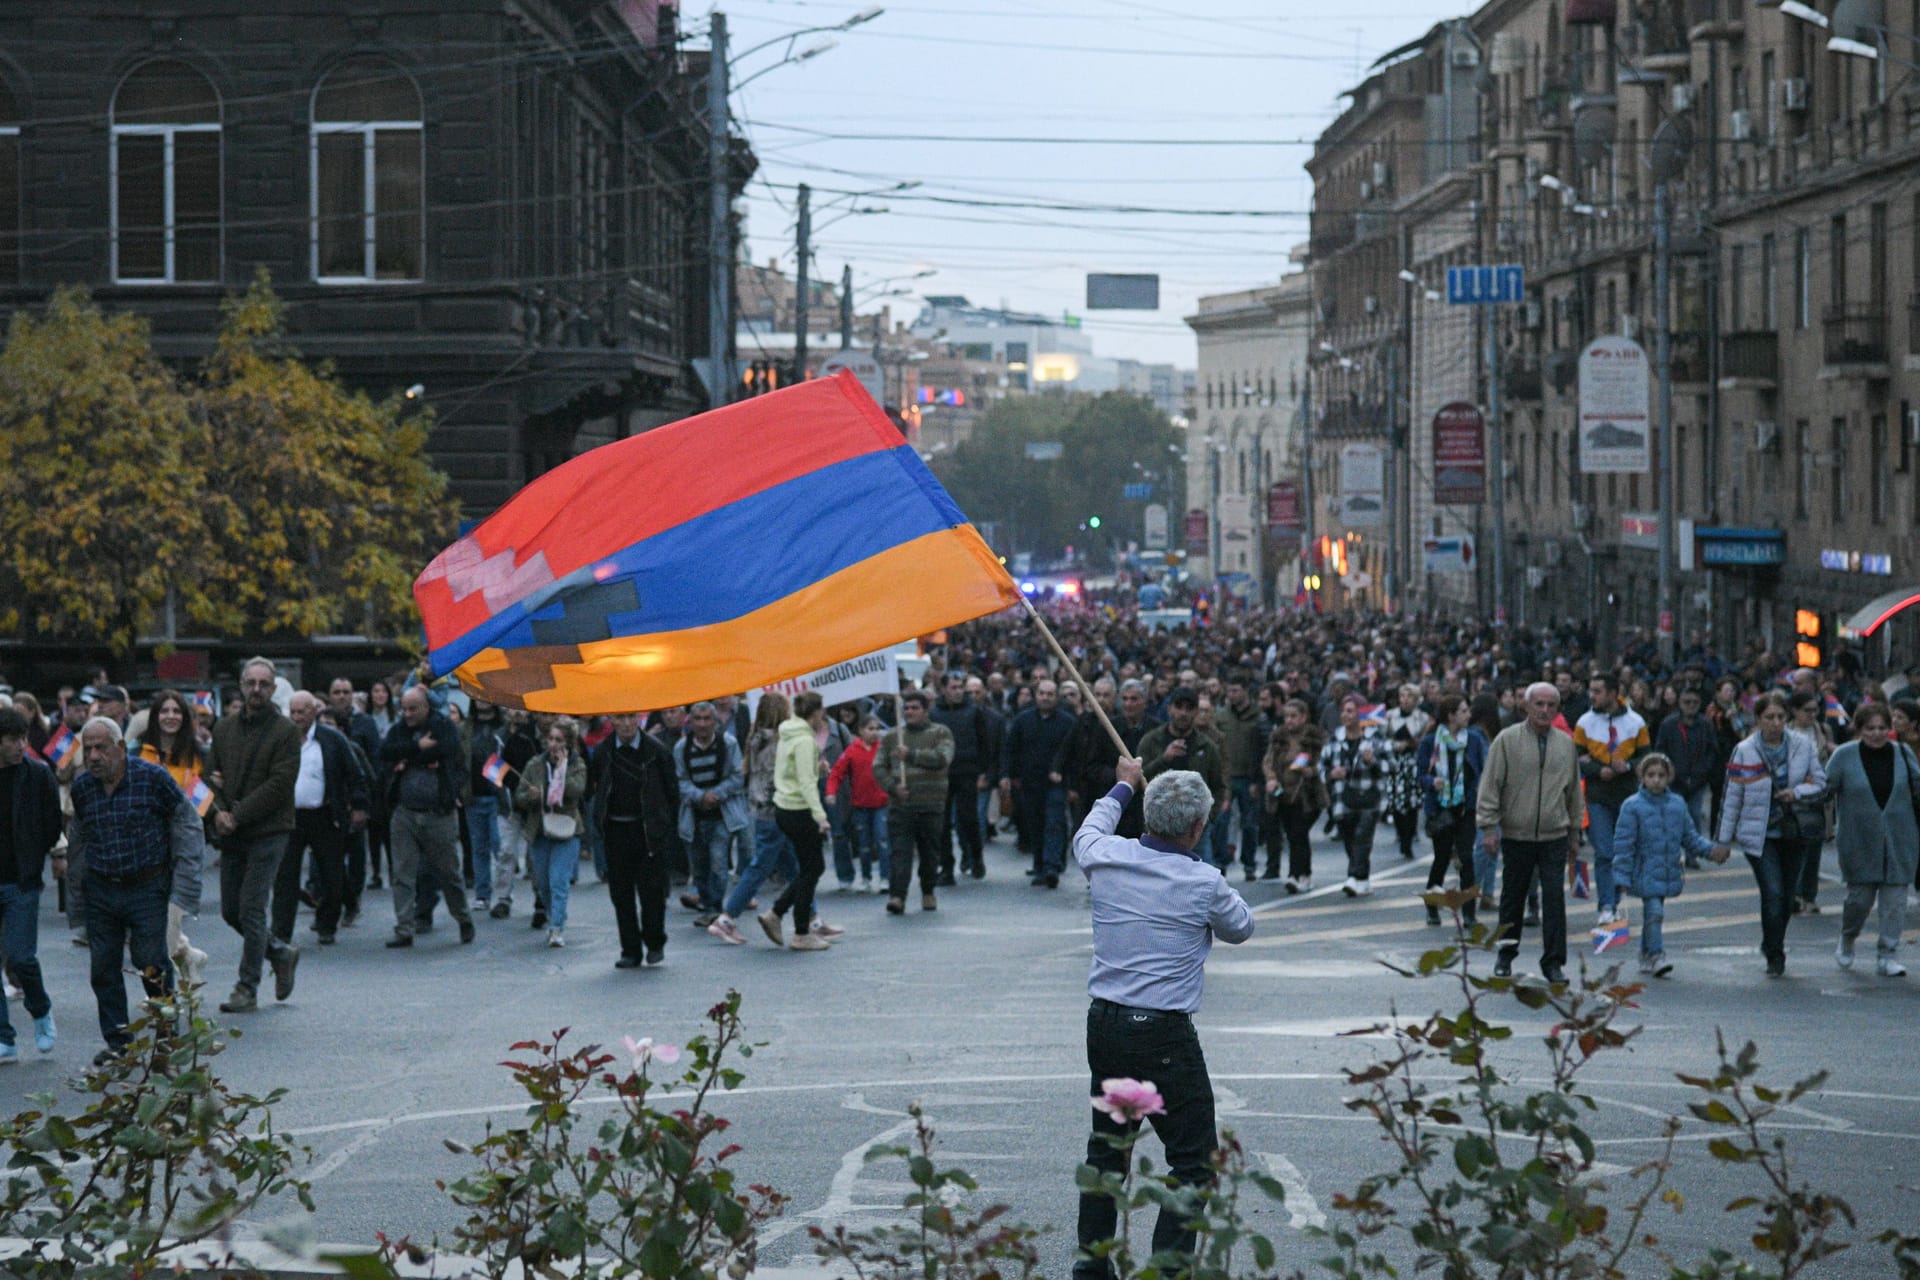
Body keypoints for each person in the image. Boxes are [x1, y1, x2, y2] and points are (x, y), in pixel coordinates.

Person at [1070, 757, 1254, 1280]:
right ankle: (1168, 1271)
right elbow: (1242, 926)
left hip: (1105, 1023)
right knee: (1193, 1161)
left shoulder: (1105, 855)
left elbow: (1091, 827)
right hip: (1165, 1033)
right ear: (1197, 827)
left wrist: (1123, 785)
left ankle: (1092, 1269)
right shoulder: (1203, 880)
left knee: (1108, 1150)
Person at [69, 718, 206, 1065]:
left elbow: (188, 822)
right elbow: (79, 839)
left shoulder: (152, 778)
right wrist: (76, 891)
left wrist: (185, 884)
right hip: (102, 888)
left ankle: (166, 1038)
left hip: (147, 886)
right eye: (88, 749)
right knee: (103, 968)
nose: (94, 756)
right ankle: (119, 1044)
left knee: (151, 963)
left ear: (119, 747)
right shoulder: (83, 788)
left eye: (101, 748)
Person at [207, 658, 303, 1013]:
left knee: (251, 907)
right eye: (251, 683)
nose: (257, 689)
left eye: (264, 683)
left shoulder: (285, 731)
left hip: (269, 829)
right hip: (232, 831)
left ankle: (246, 986)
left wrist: (237, 814)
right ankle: (279, 951)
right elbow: (208, 777)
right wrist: (217, 814)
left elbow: (279, 784)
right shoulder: (223, 728)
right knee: (231, 911)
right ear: (242, 685)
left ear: (274, 688)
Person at [1476, 682, 1584, 985]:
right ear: (1526, 705)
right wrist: (1488, 827)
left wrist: (1575, 831)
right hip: (1516, 833)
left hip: (1553, 834)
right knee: (1513, 897)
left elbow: (1574, 791)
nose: (1545, 710)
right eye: (1539, 704)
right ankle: (1505, 955)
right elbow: (1491, 785)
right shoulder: (1507, 741)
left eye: (1551, 705)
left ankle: (1553, 963)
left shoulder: (1565, 744)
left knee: (1553, 900)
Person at [1716, 691, 1826, 978]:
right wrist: (1723, 840)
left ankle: (1773, 941)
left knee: (1788, 897)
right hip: (1760, 833)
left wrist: (1797, 792)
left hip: (1794, 830)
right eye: (1769, 717)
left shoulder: (1803, 745)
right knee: (1773, 892)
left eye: (1780, 717)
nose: (1775, 723)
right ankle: (1775, 953)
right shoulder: (1745, 750)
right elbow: (1733, 796)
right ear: (1758, 719)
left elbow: (1819, 781)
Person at [1821, 703, 1919, 977]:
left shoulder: (1902, 752)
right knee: (1859, 900)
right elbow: (1825, 789)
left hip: (1900, 840)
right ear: (1859, 729)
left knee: (1895, 902)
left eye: (1882, 728)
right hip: (1858, 841)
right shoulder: (1844, 755)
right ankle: (1848, 937)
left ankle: (1888, 954)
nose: (1876, 734)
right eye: (1870, 728)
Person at [1611, 752, 1726, 978]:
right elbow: (1623, 844)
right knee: (1654, 911)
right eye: (1651, 775)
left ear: (1669, 777)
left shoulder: (1677, 804)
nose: (1656, 780)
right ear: (1642, 777)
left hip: (1667, 870)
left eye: (1661, 775)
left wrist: (1711, 851)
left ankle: (1645, 953)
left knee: (1653, 913)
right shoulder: (1632, 806)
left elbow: (1690, 837)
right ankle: (1656, 955)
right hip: (1643, 870)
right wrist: (1621, 877)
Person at [380, 685, 477, 949]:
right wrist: (416, 748)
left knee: (449, 872)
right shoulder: (400, 730)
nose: (408, 714)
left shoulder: (443, 726)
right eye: (404, 709)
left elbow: (445, 751)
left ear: (426, 708)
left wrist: (408, 755)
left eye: (413, 709)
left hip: (438, 812)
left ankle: (463, 917)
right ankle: (404, 928)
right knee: (402, 872)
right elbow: (386, 751)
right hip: (405, 812)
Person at [271, 691, 368, 949]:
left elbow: (354, 774)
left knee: (331, 874)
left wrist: (358, 806)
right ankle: (281, 932)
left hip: (325, 815)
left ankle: (327, 925)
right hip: (289, 818)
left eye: (302, 711)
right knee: (285, 877)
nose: (297, 717)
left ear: (315, 712)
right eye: (293, 712)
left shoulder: (333, 739)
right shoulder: (281, 740)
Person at [590, 711, 678, 968]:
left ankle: (654, 940)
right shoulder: (604, 751)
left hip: (647, 830)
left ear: (638, 720)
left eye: (631, 718)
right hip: (616, 830)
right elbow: (597, 787)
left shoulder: (656, 751)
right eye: (620, 718)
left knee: (652, 892)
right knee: (621, 893)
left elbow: (672, 791)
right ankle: (630, 949)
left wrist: (663, 826)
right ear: (612, 721)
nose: (626, 724)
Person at [0, 707, 62, 1062]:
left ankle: (40, 1011)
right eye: (13, 740)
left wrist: (35, 852)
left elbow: (52, 824)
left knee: (22, 956)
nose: (22, 745)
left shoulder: (37, 775)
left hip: (21, 880)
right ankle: (4, 1037)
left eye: (24, 737)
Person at [757, 691, 837, 952]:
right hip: (799, 809)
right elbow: (805, 783)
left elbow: (792, 771)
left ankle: (781, 916)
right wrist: (820, 816)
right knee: (813, 868)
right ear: (815, 713)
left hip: (785, 807)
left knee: (809, 868)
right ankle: (798, 930)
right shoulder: (804, 740)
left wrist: (816, 767)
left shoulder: (789, 732)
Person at [1572, 673, 1651, 928]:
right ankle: (1606, 905)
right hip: (1596, 795)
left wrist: (1627, 765)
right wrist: (1598, 770)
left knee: (1622, 852)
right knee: (1604, 851)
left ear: (1612, 692)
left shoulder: (1636, 722)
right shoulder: (1585, 722)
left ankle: (1616, 901)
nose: (1592, 696)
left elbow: (1646, 757)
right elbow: (1578, 755)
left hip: (1627, 795)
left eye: (1597, 691)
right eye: (1591, 691)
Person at [877, 690, 956, 913]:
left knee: (930, 852)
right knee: (900, 853)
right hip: (901, 806)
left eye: (914, 708)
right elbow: (878, 766)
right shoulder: (893, 736)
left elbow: (942, 759)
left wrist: (911, 755)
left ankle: (928, 889)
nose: (909, 712)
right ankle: (897, 896)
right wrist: (892, 787)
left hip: (931, 805)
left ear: (925, 710)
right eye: (907, 708)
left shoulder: (940, 733)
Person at [674, 702, 748, 931]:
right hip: (694, 816)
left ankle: (714, 908)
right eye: (698, 719)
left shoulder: (729, 744)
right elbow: (680, 780)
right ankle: (706, 903)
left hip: (722, 814)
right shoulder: (681, 748)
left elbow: (738, 776)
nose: (703, 724)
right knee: (699, 866)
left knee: (718, 862)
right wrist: (699, 796)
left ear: (715, 721)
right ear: (691, 721)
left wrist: (716, 794)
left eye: (707, 719)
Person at [516, 716, 587, 948]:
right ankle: (553, 913)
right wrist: (532, 796)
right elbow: (520, 795)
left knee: (559, 881)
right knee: (543, 883)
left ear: (569, 743)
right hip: (540, 829)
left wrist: (561, 771)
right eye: (551, 739)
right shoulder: (535, 764)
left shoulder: (577, 765)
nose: (553, 744)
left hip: (566, 828)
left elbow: (576, 791)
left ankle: (556, 927)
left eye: (559, 740)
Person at [1415, 694, 1486, 926]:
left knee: (1467, 858)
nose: (1469, 715)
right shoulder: (1430, 742)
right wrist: (1430, 782)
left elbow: (1483, 770)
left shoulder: (1474, 740)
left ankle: (1469, 912)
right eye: (1464, 711)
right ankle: (1432, 904)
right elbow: (1420, 776)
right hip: (1440, 809)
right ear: (1451, 715)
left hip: (1465, 807)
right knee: (1442, 858)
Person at [1000, 679, 1076, 886]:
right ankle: (1040, 864)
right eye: (1042, 693)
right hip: (1029, 783)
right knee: (1035, 824)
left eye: (1050, 694)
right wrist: (1007, 775)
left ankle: (1051, 866)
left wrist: (1071, 782)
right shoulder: (1022, 720)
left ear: (1056, 697)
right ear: (1036, 695)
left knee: (1054, 823)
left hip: (1056, 783)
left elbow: (1074, 754)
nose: (1045, 697)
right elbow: (1010, 749)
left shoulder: (1067, 722)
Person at [1320, 695, 1387, 898]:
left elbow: (1389, 766)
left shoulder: (1374, 738)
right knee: (1349, 838)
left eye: (1350, 711)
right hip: (1344, 798)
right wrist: (1332, 773)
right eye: (1344, 711)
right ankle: (1363, 879)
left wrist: (1372, 761)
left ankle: (1352, 876)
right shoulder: (1335, 738)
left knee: (1362, 837)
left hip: (1369, 796)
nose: (1345, 715)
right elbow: (1322, 766)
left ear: (1361, 713)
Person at [930, 671, 993, 882]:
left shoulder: (973, 711)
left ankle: (976, 857)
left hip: (967, 771)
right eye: (953, 687)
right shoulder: (935, 713)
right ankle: (946, 866)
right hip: (941, 774)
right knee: (942, 822)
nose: (957, 692)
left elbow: (985, 744)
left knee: (968, 819)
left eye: (960, 687)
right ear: (944, 689)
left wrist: (984, 772)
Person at [1261, 698, 1326, 891]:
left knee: (1299, 832)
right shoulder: (1278, 737)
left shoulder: (1314, 738)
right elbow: (1268, 761)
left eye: (1294, 716)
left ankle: (1296, 874)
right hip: (1283, 794)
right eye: (1287, 716)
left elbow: (1323, 761)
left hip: (1307, 794)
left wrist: (1311, 771)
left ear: (1304, 717)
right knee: (1292, 834)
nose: (1289, 720)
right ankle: (1302, 873)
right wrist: (1271, 778)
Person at [1655, 685, 1723, 861]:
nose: (1691, 705)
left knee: (1693, 816)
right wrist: (1667, 773)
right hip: (1674, 779)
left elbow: (1712, 751)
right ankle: (1671, 853)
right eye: (1687, 702)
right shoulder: (1669, 724)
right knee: (1672, 816)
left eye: (1694, 702)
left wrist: (1704, 772)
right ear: (1679, 702)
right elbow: (1661, 750)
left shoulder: (1705, 725)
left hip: (1698, 780)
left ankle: (1693, 854)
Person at [827, 715, 891, 892]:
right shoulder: (851, 751)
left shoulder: (884, 749)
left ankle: (886, 877)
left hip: (881, 803)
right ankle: (866, 877)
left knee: (882, 839)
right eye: (871, 729)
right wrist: (831, 792)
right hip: (860, 805)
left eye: (877, 729)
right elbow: (837, 773)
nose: (875, 733)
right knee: (863, 844)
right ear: (861, 731)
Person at [1215, 677, 1267, 882]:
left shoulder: (1258, 717)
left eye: (1236, 690)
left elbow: (1264, 748)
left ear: (1245, 691)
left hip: (1249, 778)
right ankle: (1220, 862)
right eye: (1229, 691)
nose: (1232, 695)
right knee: (1222, 821)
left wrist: (1258, 779)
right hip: (1227, 777)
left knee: (1250, 824)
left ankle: (1249, 863)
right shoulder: (1221, 717)